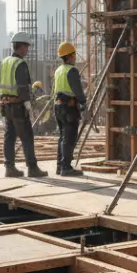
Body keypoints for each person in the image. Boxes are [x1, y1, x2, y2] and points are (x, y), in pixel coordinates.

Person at [0, 32, 47, 178]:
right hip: (18, 106)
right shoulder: (20, 64)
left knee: (9, 136)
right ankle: (32, 168)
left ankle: (9, 167)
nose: (27, 50)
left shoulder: (5, 61)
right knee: (27, 136)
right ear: (21, 47)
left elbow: (2, 85)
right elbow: (22, 87)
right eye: (26, 47)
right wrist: (27, 104)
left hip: (6, 104)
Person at [53, 42, 87, 177]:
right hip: (69, 107)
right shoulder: (72, 71)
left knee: (62, 137)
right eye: (74, 55)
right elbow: (77, 89)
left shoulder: (58, 70)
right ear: (71, 56)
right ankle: (66, 167)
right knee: (69, 137)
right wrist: (84, 103)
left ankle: (60, 166)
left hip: (58, 106)